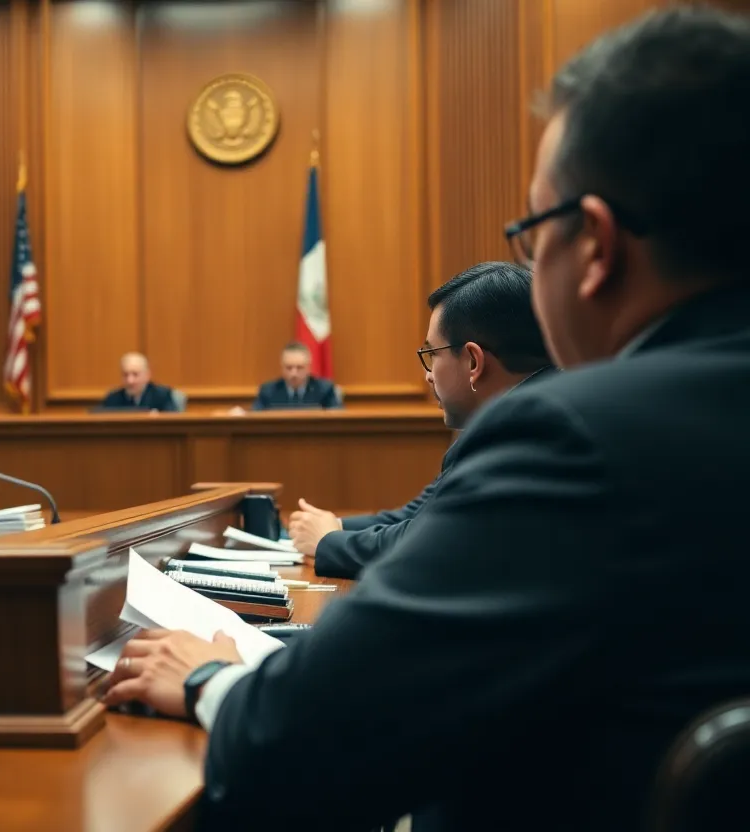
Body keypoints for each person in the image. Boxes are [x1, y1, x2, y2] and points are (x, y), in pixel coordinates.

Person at [102, 8, 750, 830]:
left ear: (593, 245)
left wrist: (204, 678)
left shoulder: (580, 436)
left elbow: (301, 736)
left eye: (530, 234)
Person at [289, 262, 553, 577]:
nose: (427, 376)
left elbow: (430, 541)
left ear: (473, 361)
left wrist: (329, 541)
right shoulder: (523, 412)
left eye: (432, 355)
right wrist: (333, 526)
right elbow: (422, 512)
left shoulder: (522, 431)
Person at [250, 342, 341, 410]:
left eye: (299, 368)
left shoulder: (324, 389)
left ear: (309, 368)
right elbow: (253, 418)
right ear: (282, 368)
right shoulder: (268, 391)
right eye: (289, 368)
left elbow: (338, 419)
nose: (294, 373)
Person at [98, 352, 179, 412]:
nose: (130, 381)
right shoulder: (113, 398)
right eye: (125, 375)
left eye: (135, 374)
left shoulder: (162, 396)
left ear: (147, 375)